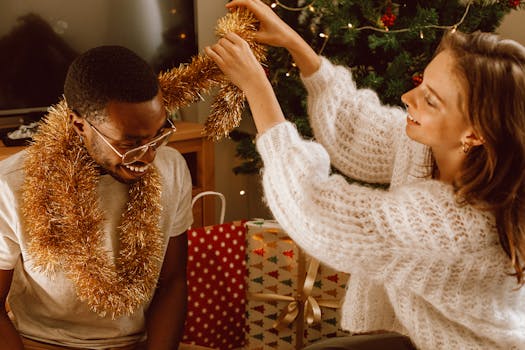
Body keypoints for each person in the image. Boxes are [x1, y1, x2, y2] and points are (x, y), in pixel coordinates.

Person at [205, 0, 525, 349]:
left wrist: (256, 86)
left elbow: (313, 209)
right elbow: (353, 127)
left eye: (431, 101)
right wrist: (294, 43)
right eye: (421, 83)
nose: (407, 97)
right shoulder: (430, 147)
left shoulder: (453, 224)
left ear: (475, 134)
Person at [0, 46, 193, 349]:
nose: (149, 155)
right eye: (130, 142)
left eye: (158, 134)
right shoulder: (11, 185)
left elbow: (173, 282)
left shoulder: (171, 167)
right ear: (80, 126)